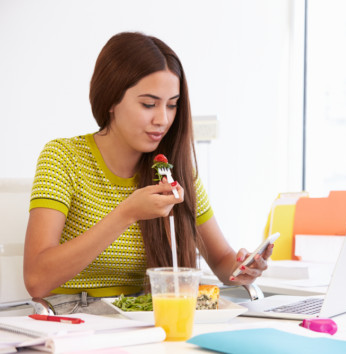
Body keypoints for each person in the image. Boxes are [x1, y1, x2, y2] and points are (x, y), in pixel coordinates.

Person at [23, 32, 272, 311]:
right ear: (111, 100)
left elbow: (222, 261)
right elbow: (36, 279)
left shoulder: (173, 170)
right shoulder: (63, 158)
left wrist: (244, 268)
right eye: (148, 104)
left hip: (145, 313)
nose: (162, 119)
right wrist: (127, 213)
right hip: (74, 314)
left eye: (172, 105)